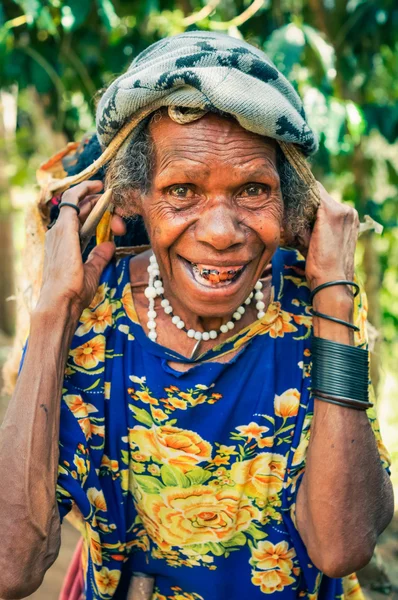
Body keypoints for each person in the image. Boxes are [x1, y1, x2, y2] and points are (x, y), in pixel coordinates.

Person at [0, 31, 393, 600]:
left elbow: (342, 546)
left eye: (254, 190)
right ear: (132, 198)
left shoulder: (314, 319)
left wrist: (335, 296)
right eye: (182, 190)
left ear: (289, 207)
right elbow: (11, 566)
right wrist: (53, 309)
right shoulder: (90, 325)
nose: (219, 231)